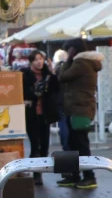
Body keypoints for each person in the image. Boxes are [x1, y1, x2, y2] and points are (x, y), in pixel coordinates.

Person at [56, 38, 103, 189]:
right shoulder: (84, 63)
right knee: (72, 143)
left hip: (80, 109)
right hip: (76, 108)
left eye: (68, 50)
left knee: (81, 144)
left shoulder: (81, 63)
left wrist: (66, 61)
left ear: (73, 50)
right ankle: (74, 176)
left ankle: (89, 177)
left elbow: (63, 77)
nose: (67, 53)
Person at [21, 50, 58, 184]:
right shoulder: (24, 74)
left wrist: (53, 73)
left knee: (44, 146)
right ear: (31, 62)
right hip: (31, 114)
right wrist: (34, 92)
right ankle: (36, 175)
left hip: (45, 115)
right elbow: (23, 91)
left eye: (41, 59)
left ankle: (40, 170)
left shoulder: (48, 75)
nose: (39, 62)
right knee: (35, 145)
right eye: (36, 59)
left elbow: (56, 89)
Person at [52, 48, 71, 149]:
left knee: (63, 123)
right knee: (69, 123)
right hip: (70, 99)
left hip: (60, 100)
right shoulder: (70, 68)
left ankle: (65, 145)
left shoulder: (55, 69)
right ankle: (69, 145)